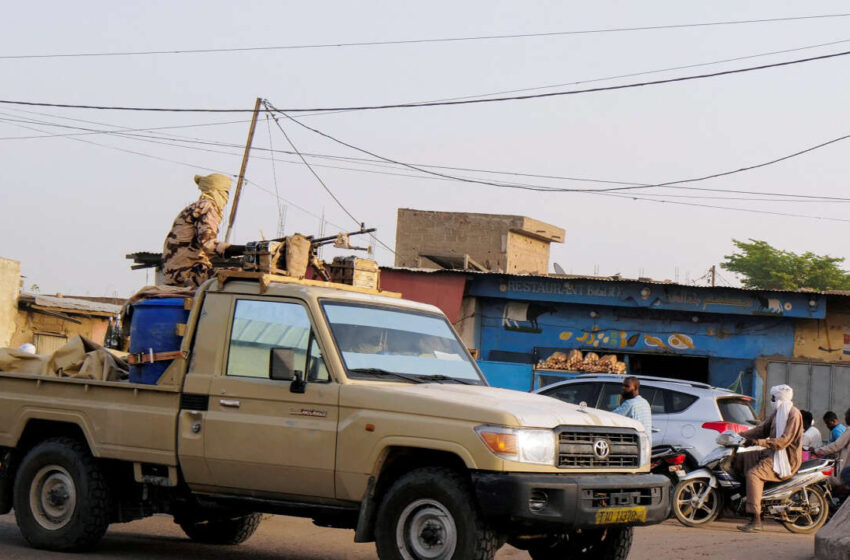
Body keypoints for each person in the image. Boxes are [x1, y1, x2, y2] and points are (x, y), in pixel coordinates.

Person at [733, 384, 803, 533]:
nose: (771, 400)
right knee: (740, 458)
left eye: (773, 397)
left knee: (754, 475)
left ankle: (756, 518)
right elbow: (761, 430)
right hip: (771, 452)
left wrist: (759, 442)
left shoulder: (794, 414)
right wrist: (738, 436)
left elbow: (783, 441)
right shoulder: (778, 412)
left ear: (779, 398)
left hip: (785, 459)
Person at [162, 173, 232, 288]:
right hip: (187, 273)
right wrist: (244, 250)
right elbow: (208, 244)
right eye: (225, 192)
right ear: (216, 191)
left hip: (175, 272)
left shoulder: (195, 207)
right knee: (238, 275)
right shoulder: (207, 207)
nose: (227, 198)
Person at [813, 408, 850, 491]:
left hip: (845, 465)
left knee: (830, 479)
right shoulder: (842, 428)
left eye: (847, 416)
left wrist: (817, 451)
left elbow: (836, 446)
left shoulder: (839, 430)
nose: (845, 418)